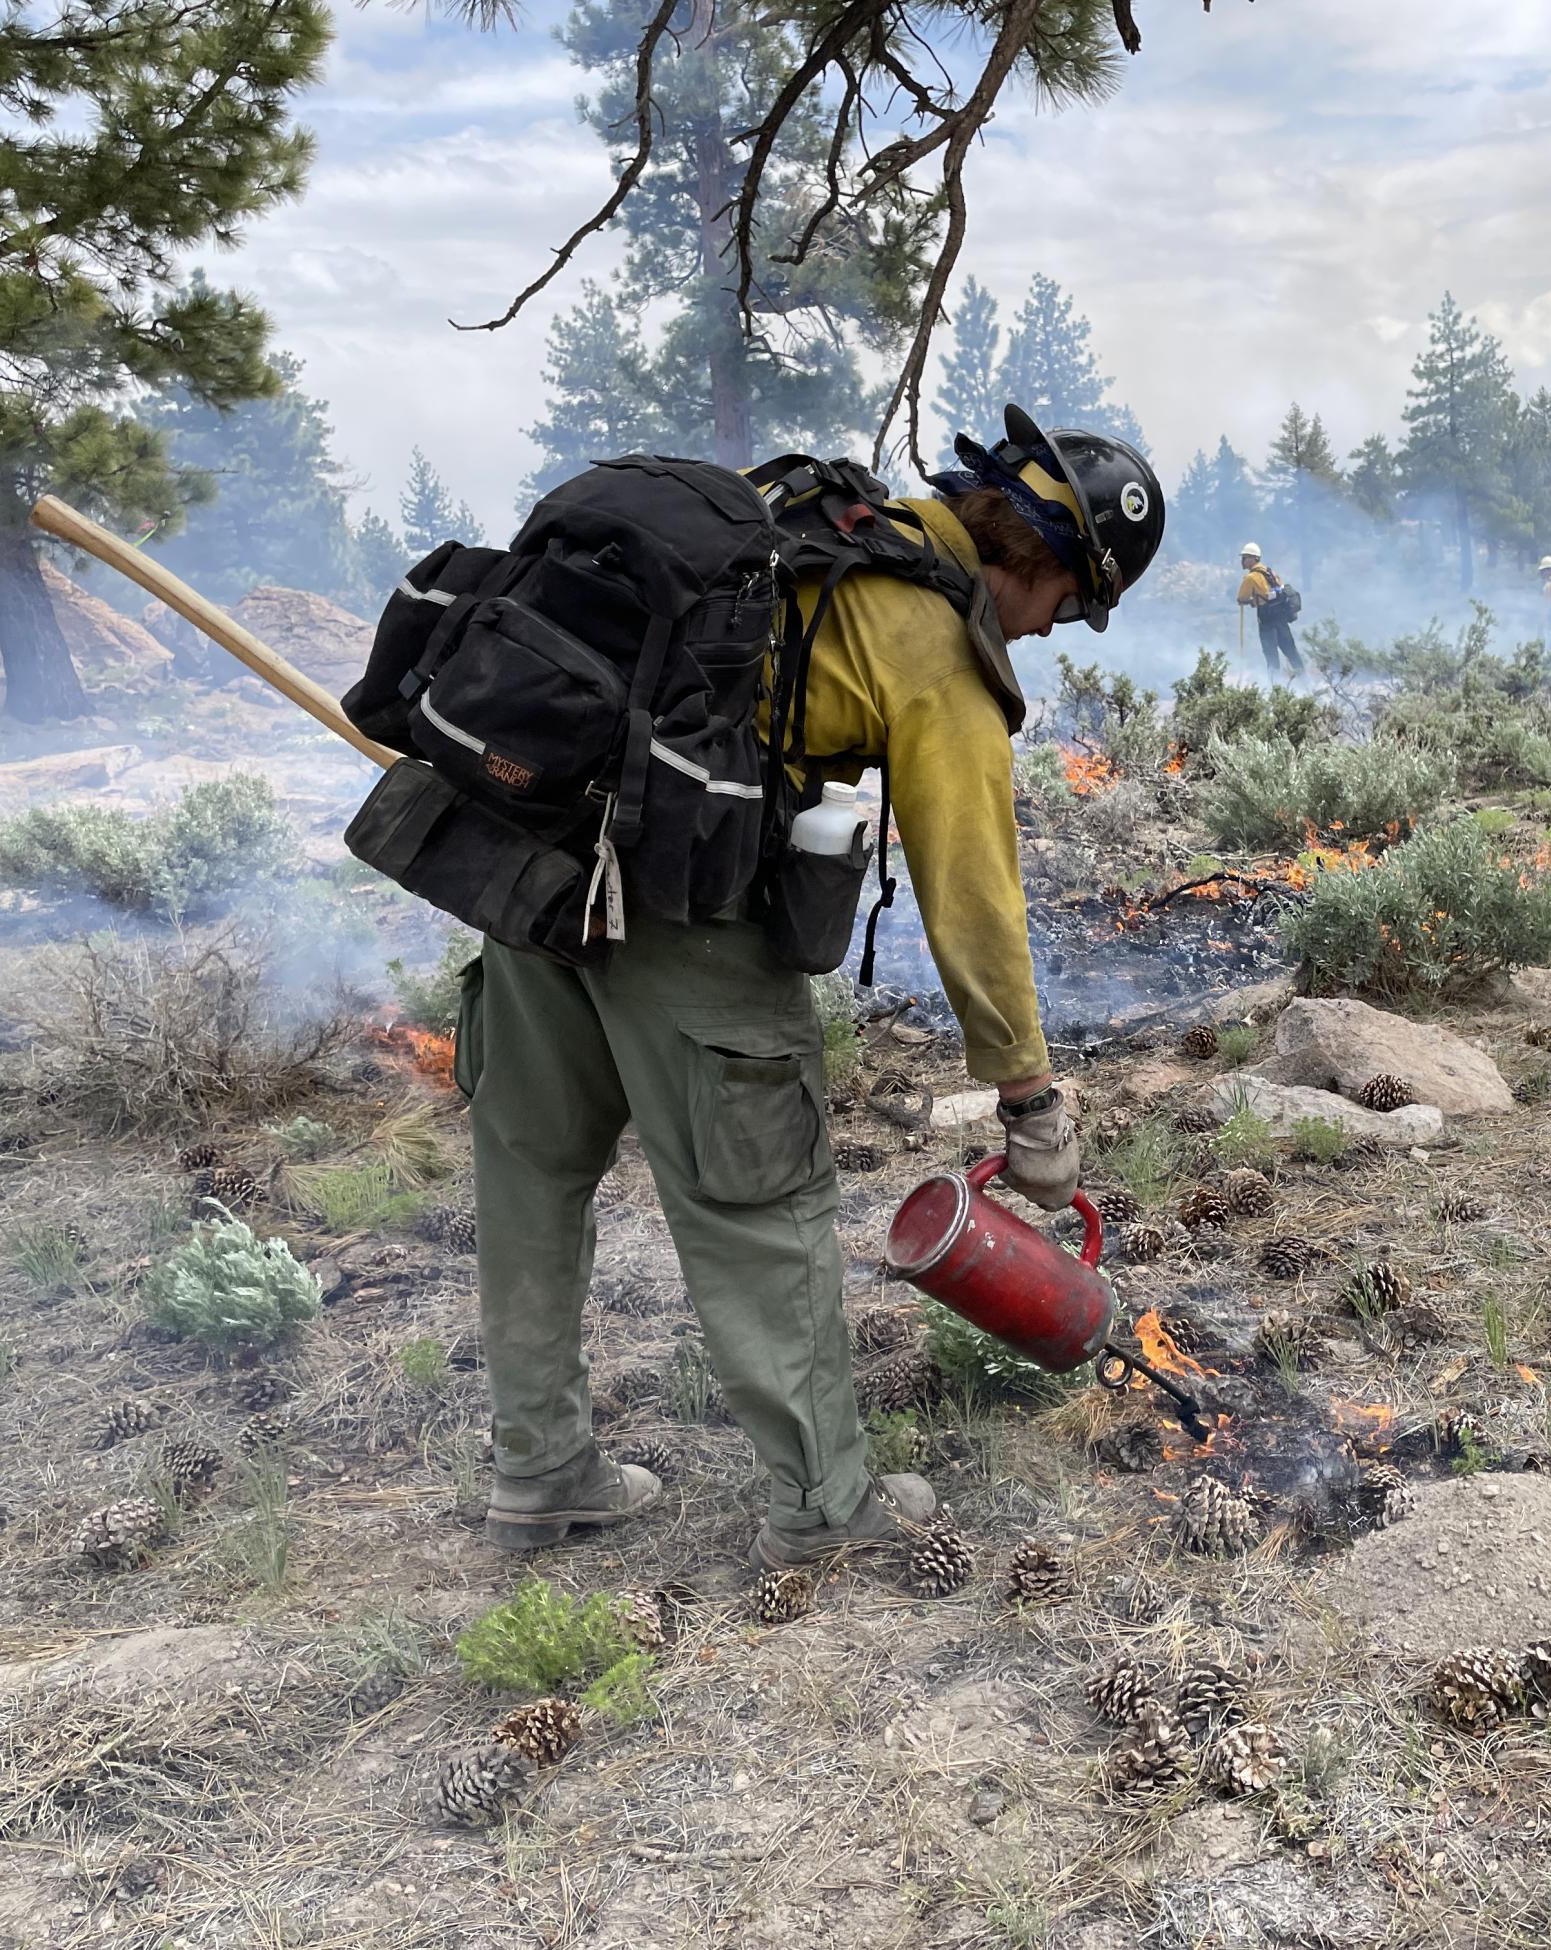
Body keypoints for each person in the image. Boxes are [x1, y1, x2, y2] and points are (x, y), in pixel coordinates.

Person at [460, 405, 1163, 1570]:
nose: (1053, 632)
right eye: (1071, 604)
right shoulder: (937, 644)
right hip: (681, 908)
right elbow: (971, 894)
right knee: (762, 1204)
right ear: (1036, 559)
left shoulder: (812, 521)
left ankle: (539, 1469)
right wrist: (1028, 1097)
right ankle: (827, 1506)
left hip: (536, 867)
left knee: (532, 1176)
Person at [1235, 541, 1302, 679]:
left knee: (1271, 655)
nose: (1243, 560)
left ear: (1254, 558)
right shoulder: (1270, 572)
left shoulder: (1251, 577)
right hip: (1281, 618)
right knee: (1291, 651)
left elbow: (1241, 598)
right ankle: (1305, 681)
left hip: (1266, 620)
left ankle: (1275, 687)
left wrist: (1252, 601)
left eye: (1245, 557)